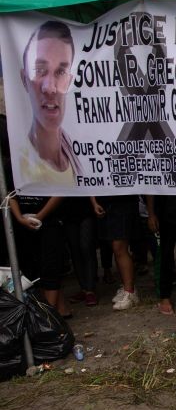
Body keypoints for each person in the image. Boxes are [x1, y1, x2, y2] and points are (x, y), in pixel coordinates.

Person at [18, 20, 80, 187]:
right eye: (39, 71)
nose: (51, 88)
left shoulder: (75, 158)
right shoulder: (20, 166)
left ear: (69, 81)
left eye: (61, 71)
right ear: (25, 79)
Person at [9, 194, 68, 316]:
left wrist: (39, 217)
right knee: (35, 271)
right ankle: (56, 311)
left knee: (51, 267)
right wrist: (20, 218)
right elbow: (10, 194)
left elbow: (59, 192)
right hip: (23, 224)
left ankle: (48, 319)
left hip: (49, 221)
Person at [91, 195, 138, 310]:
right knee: (114, 246)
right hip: (104, 202)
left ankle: (130, 292)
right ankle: (127, 286)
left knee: (119, 247)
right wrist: (94, 202)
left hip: (122, 201)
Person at [62, 197, 99, 307]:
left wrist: (94, 203)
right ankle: (84, 288)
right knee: (75, 250)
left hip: (85, 208)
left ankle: (90, 290)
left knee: (86, 248)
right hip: (67, 211)